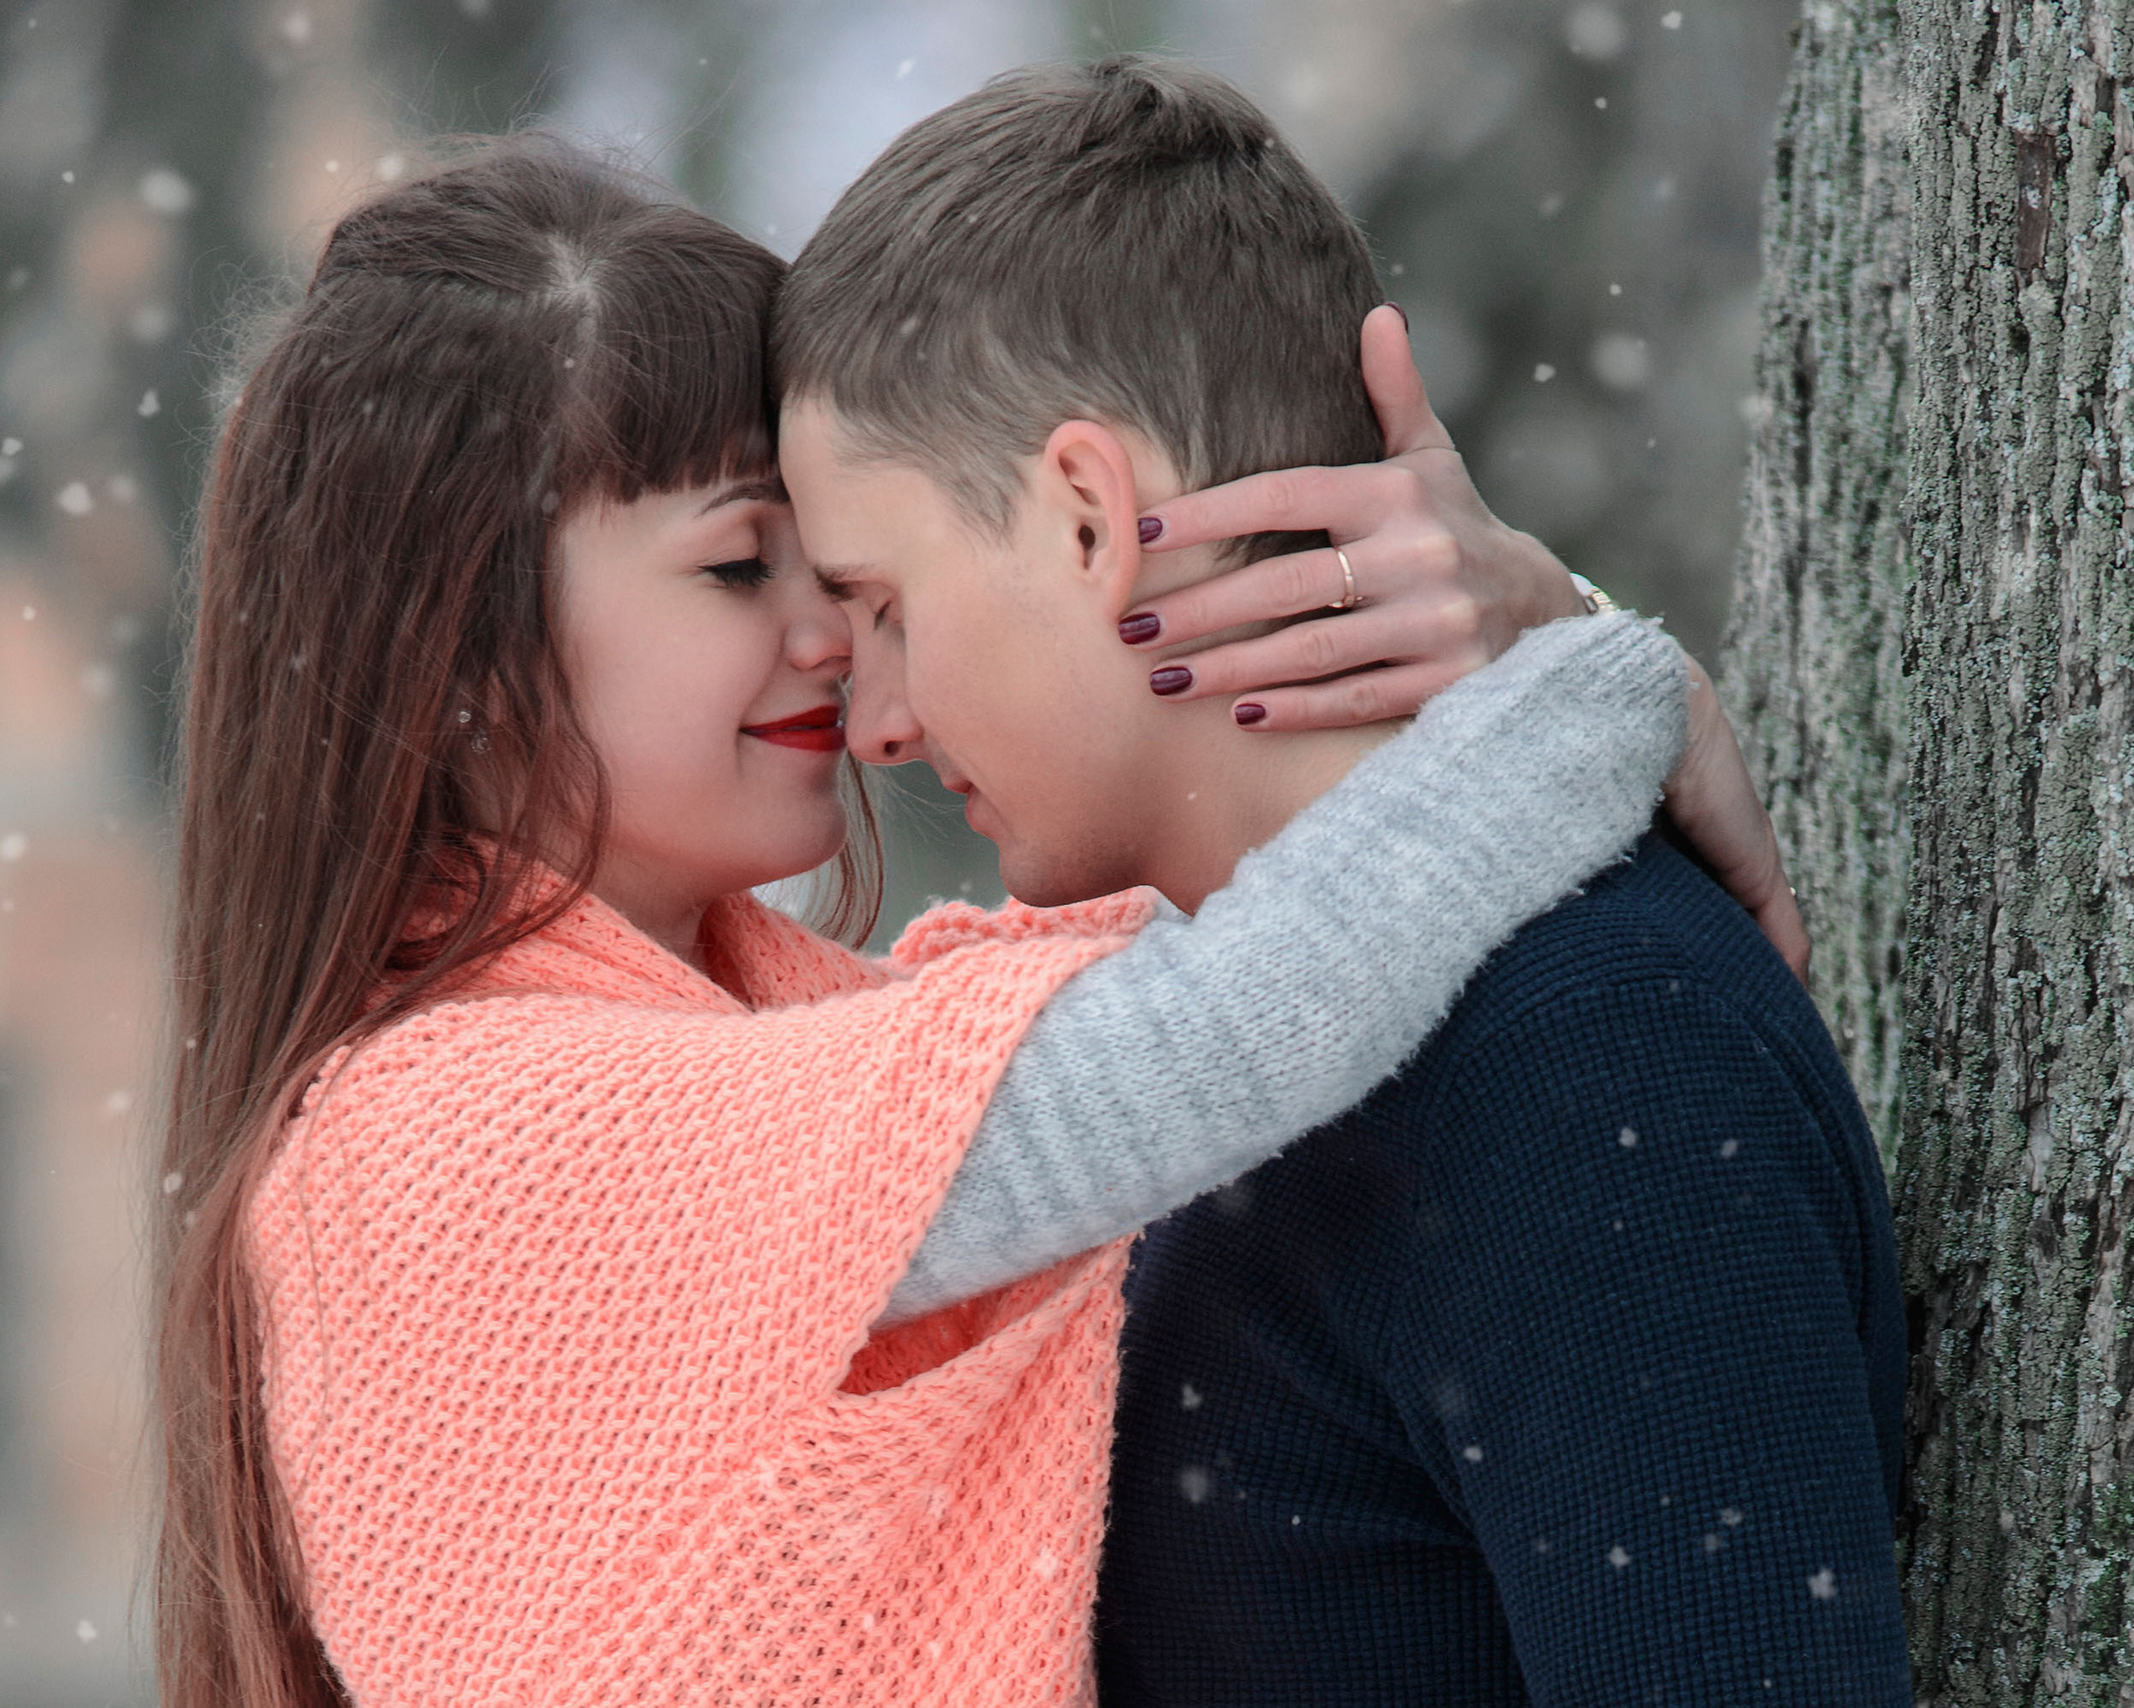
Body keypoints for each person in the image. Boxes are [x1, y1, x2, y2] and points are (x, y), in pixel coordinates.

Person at [153, 135, 1783, 1708]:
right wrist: (1600, 682)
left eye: (856, 586)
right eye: (742, 569)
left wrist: (1544, 639)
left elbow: (1227, 941)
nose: (837, 656)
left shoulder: (746, 1056)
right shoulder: (430, 1148)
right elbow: (1201, 1046)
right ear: (456, 665)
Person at [773, 57, 1910, 1704]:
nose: (871, 722)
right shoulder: (1203, 1047)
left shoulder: (1587, 1055)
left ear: (1090, 516)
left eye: (884, 604)